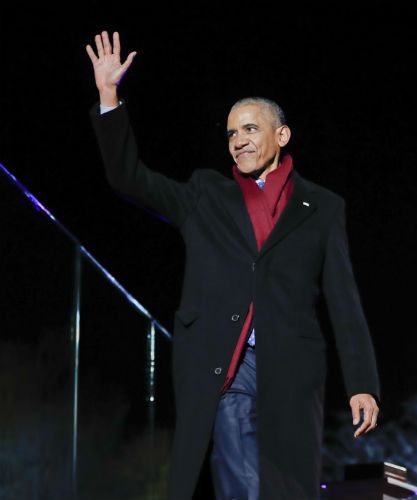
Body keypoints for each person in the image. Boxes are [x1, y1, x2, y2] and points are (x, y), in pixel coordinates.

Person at [85, 31, 380, 499]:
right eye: (230, 134)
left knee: (289, 487)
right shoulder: (206, 194)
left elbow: (344, 300)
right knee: (239, 474)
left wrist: (362, 383)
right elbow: (128, 176)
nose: (238, 141)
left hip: (293, 366)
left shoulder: (322, 207)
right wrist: (108, 95)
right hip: (226, 362)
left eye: (249, 129)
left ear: (281, 135)